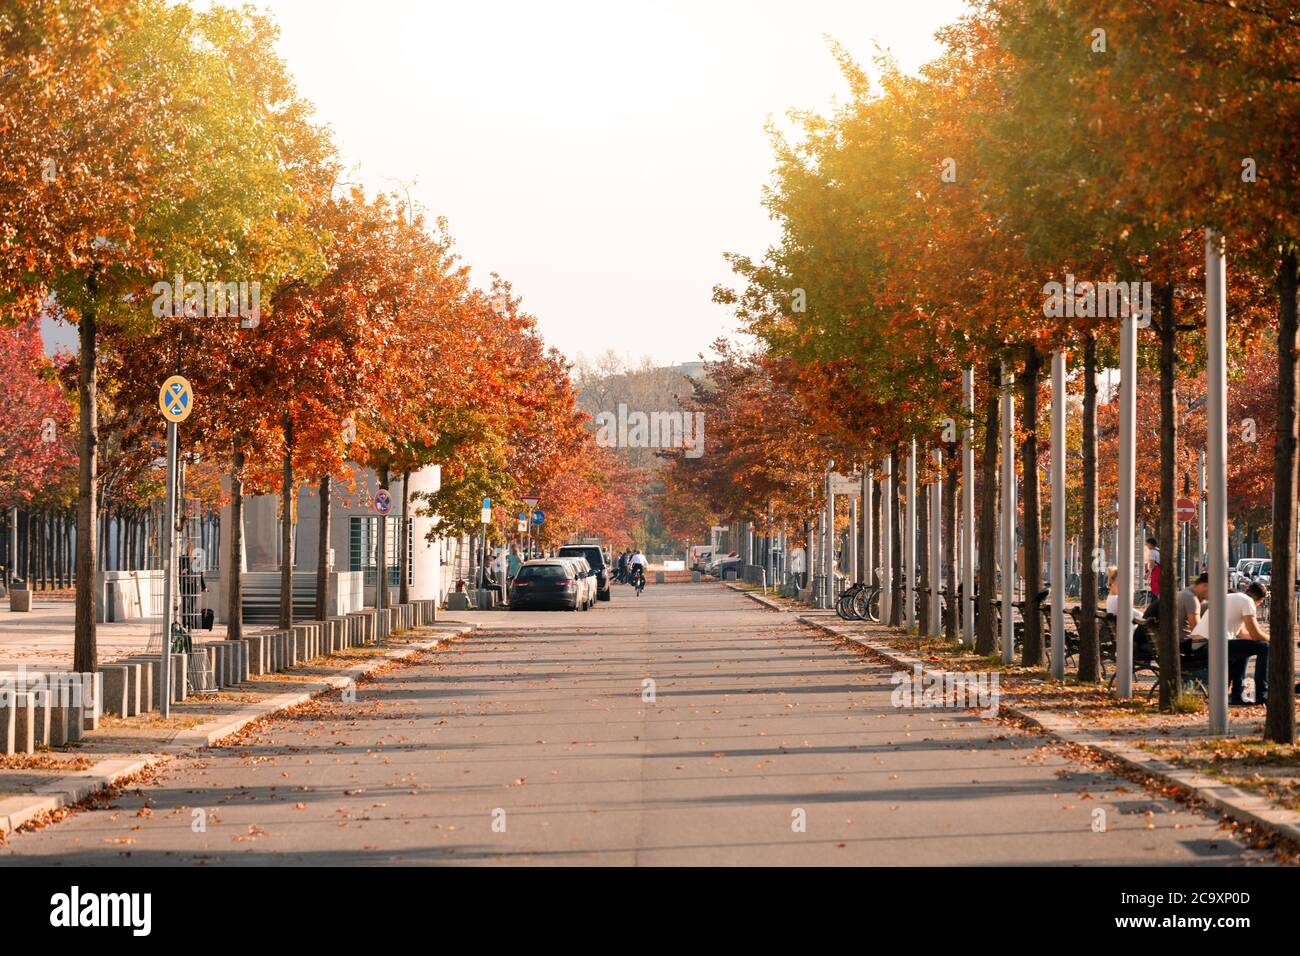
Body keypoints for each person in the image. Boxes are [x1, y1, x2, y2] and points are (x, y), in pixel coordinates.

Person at [1191, 579, 1269, 705]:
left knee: (1244, 649)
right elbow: (1255, 634)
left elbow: (1242, 634)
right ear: (1259, 602)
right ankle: (1262, 695)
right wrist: (1273, 640)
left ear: (1246, 590)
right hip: (1211, 645)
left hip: (1200, 645)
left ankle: (1237, 695)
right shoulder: (1248, 602)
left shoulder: (1231, 597)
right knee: (1265, 648)